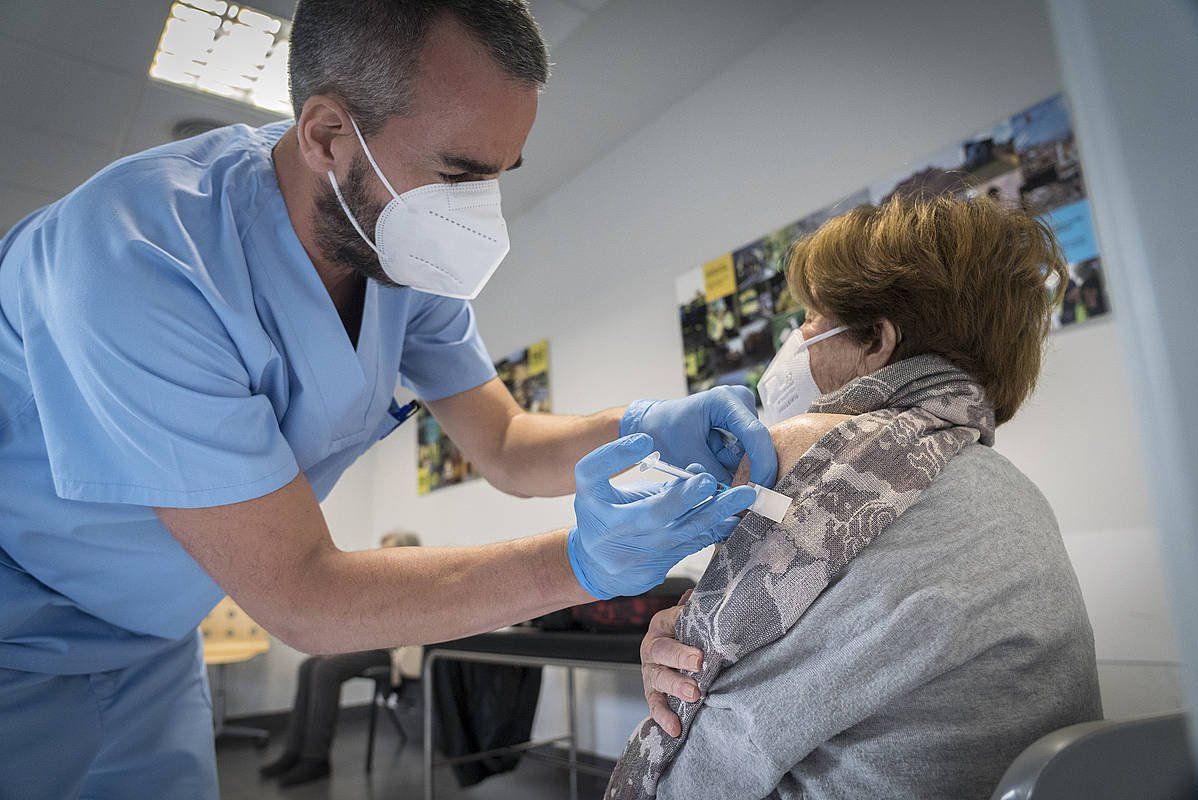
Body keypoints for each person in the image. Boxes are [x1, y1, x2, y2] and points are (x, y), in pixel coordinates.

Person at [0, 3, 778, 798]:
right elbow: (304, 594)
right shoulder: (139, 258)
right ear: (329, 136)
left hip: (154, 641)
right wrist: (578, 562)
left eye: (500, 177)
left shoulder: (396, 256)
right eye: (459, 175)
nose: (481, 218)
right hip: (16, 627)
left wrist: (646, 425)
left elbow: (506, 443)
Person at [633, 195, 1102, 799]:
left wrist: (691, 654)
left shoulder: (845, 468)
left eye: (808, 318)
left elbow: (704, 751)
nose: (795, 340)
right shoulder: (1012, 488)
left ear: (877, 339)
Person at [258, 532, 421, 787]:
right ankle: (294, 751)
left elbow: (398, 635)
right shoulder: (383, 586)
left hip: (392, 654)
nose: (380, 556)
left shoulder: (416, 587)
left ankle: (316, 759)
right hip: (373, 647)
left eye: (387, 551)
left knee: (326, 669)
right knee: (309, 665)